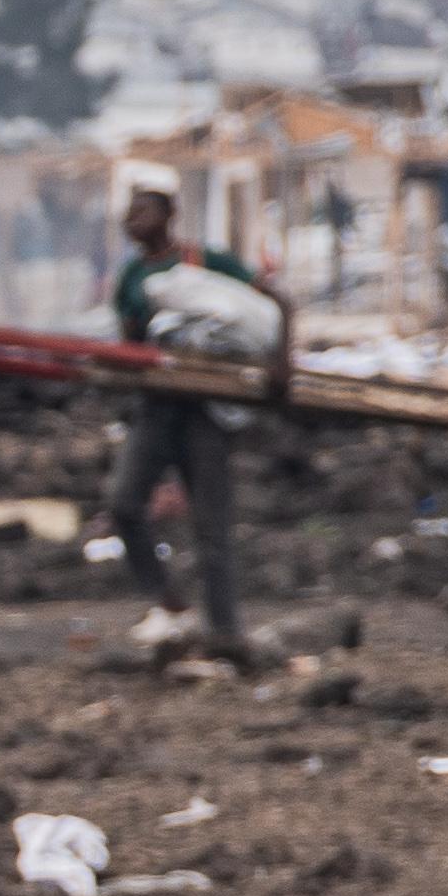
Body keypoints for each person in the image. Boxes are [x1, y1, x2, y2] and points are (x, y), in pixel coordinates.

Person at [105, 183, 284, 665]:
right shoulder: (131, 278)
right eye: (129, 213)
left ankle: (225, 632)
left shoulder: (207, 264)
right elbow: (129, 343)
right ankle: (170, 600)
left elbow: (264, 305)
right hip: (157, 406)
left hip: (206, 409)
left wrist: (281, 358)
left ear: (168, 216)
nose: (132, 221)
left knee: (212, 526)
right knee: (123, 504)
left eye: (142, 212)